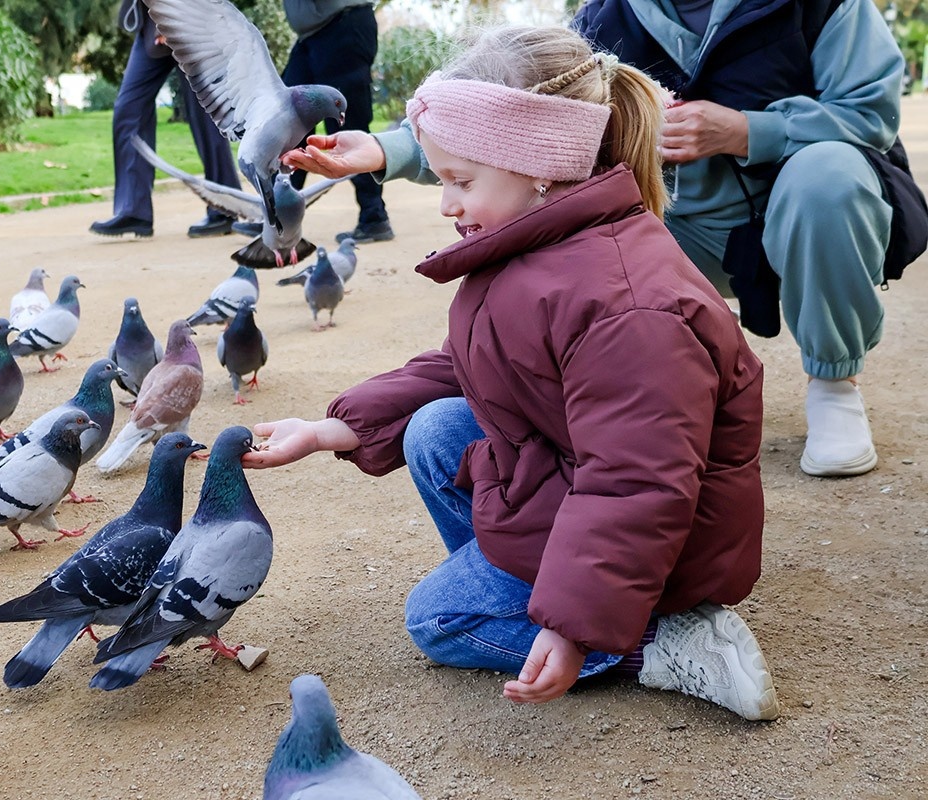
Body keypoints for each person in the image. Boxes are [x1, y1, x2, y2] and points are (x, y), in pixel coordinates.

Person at [247, 25, 780, 721]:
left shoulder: (627, 306)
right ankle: (542, 589)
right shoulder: (542, 244)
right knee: (435, 427)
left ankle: (660, 635)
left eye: (460, 181)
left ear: (538, 162)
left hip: (667, 541)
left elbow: (636, 479)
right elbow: (467, 366)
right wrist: (331, 430)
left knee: (438, 619)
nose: (446, 204)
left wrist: (569, 625)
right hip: (584, 481)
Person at [286, 0, 911, 479]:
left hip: (794, 215)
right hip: (667, 224)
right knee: (554, 219)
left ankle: (834, 382)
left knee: (828, 178)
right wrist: (387, 149)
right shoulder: (605, 11)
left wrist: (748, 130)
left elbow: (872, 115)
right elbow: (524, 115)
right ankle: (595, 413)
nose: (452, 206)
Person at [90, 0, 240, 239]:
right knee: (129, 108)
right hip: (153, 22)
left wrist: (169, 22)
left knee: (205, 113)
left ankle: (225, 208)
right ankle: (134, 209)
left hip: (191, 19)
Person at [280, 0, 393, 244]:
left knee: (346, 127)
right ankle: (279, 216)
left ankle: (374, 217)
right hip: (312, 35)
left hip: (343, 26)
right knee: (289, 120)